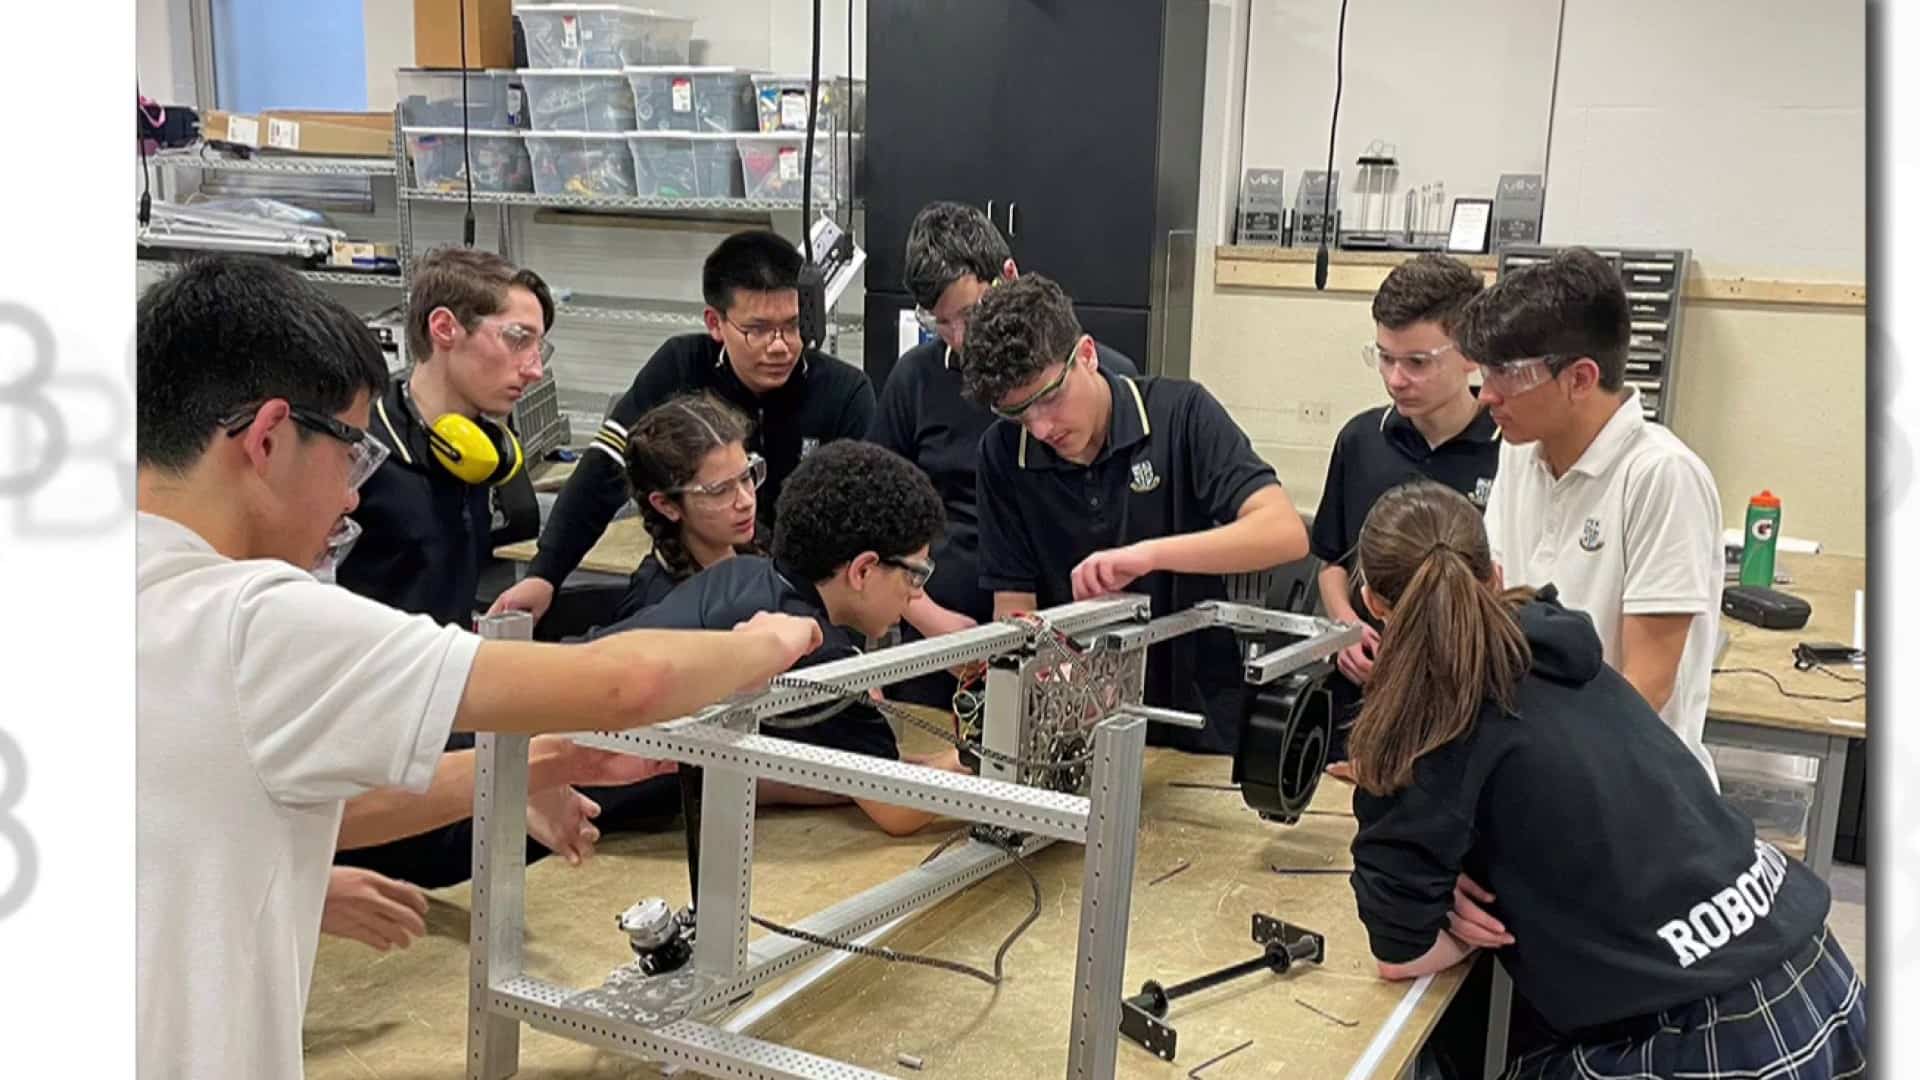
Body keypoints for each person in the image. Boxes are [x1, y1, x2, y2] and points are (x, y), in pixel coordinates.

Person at [136, 256, 822, 1079]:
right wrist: (769, 641)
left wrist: (547, 761)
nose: (351, 496)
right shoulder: (254, 619)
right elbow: (624, 684)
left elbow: (274, 802)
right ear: (270, 439)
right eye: (350, 453)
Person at [1341, 481, 1865, 1079]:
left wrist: (1458, 927)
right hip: (1815, 972)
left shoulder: (1426, 728)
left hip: (1708, 1038)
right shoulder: (1563, 652)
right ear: (1495, 575)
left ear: (1372, 603)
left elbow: (1400, 952)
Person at [328, 245, 619, 894]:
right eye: (517, 340)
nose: (533, 368)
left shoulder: (482, 457)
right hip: (362, 735)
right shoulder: (356, 457)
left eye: (539, 347)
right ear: (444, 329)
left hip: (437, 704)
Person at [963, 274, 1310, 754]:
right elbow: (1014, 607)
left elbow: (1283, 532)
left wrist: (1148, 555)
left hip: (1196, 715)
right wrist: (1049, 677)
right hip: (1079, 725)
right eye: (1019, 413)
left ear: (1086, 354)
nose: (1041, 428)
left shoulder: (1180, 415)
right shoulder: (1003, 454)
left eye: (1050, 397)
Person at [491, 230, 876, 627]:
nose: (779, 346)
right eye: (757, 329)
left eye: (793, 326)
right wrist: (545, 573)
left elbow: (861, 526)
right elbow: (604, 468)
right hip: (688, 590)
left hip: (808, 604)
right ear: (715, 323)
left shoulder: (845, 393)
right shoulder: (680, 368)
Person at [593, 439, 963, 836]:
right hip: (569, 804)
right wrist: (978, 753)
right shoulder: (816, 652)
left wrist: (919, 768)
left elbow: (863, 778)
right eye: (914, 575)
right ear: (862, 571)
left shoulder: (748, 573)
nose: (916, 594)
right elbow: (896, 806)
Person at [1456, 247, 1723, 781]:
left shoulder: (1661, 476)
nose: (1486, 396)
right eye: (1485, 372)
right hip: (1535, 762)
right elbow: (1498, 607)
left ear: (1580, 378)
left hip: (1627, 782)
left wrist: (1552, 778)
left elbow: (1648, 684)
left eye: (1506, 374)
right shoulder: (1519, 451)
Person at [869, 202, 1138, 644]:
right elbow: (874, 518)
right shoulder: (913, 381)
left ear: (1008, 274)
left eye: (970, 314)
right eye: (941, 323)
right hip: (942, 634)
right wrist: (926, 615)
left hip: (1066, 628)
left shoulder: (1092, 376)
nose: (961, 338)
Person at [1311, 254, 1501, 759]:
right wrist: (1344, 627)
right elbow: (1332, 563)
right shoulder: (1360, 440)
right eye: (1384, 358)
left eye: (1417, 362)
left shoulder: (1510, 455)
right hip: (1363, 701)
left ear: (1470, 354)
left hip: (1465, 711)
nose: (1396, 379)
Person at [614, 393, 766, 621]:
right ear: (666, 505)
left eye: (746, 477)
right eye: (720, 490)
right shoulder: (656, 605)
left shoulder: (760, 546)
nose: (746, 501)